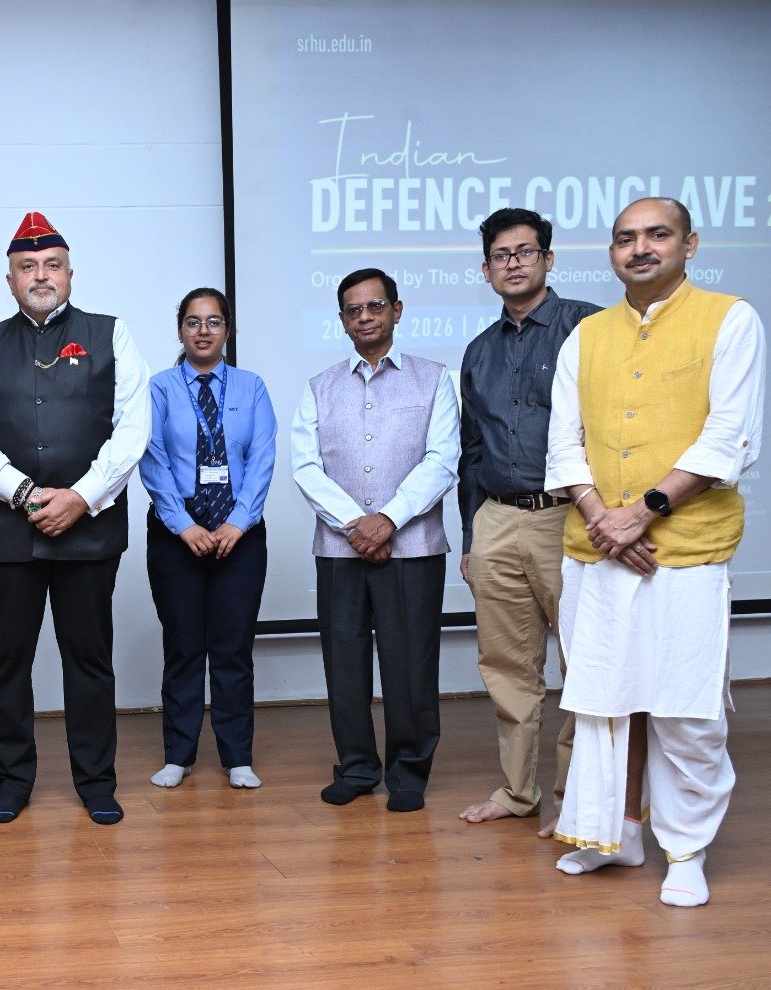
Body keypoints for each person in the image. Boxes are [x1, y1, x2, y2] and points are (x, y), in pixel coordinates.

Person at [547, 196, 764, 907]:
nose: (639, 248)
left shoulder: (730, 319)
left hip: (685, 551)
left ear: (689, 244)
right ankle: (615, 833)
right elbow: (563, 444)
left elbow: (729, 437)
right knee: (602, 701)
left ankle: (687, 849)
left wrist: (641, 514)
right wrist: (603, 521)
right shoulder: (586, 336)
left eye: (657, 235)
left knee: (685, 710)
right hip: (596, 549)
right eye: (625, 238)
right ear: (612, 253)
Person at [0, 211, 150, 825]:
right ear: (10, 279)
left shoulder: (110, 334)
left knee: (89, 662)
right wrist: (24, 493)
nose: (41, 276)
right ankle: (13, 781)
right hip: (10, 533)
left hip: (90, 532)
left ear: (70, 274)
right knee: (7, 663)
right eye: (28, 267)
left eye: (52, 265)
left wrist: (81, 497)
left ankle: (96, 781)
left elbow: (132, 428)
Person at [291, 267, 459, 813]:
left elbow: (442, 460)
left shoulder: (435, 379)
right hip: (340, 549)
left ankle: (408, 771)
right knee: (344, 663)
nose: (365, 317)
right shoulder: (319, 386)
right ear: (342, 320)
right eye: (353, 309)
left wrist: (387, 519)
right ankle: (357, 766)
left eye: (375, 306)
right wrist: (356, 525)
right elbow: (306, 467)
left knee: (410, 664)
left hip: (413, 547)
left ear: (396, 310)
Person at [457, 209, 600, 833]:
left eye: (525, 251)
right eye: (501, 255)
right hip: (496, 519)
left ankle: (577, 800)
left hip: (570, 517)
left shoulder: (589, 327)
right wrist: (471, 537)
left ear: (548, 258)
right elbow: (471, 452)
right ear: (486, 269)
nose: (513, 263)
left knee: (584, 664)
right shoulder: (479, 351)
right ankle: (519, 792)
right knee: (507, 667)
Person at [139, 288, 276, 791]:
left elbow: (262, 457)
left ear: (227, 330)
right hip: (176, 535)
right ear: (180, 330)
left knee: (233, 649)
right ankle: (178, 754)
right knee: (182, 647)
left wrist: (238, 522)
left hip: (240, 536)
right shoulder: (158, 388)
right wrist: (184, 525)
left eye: (214, 321)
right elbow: (151, 457)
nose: (203, 331)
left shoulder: (251, 386)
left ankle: (237, 756)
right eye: (193, 322)